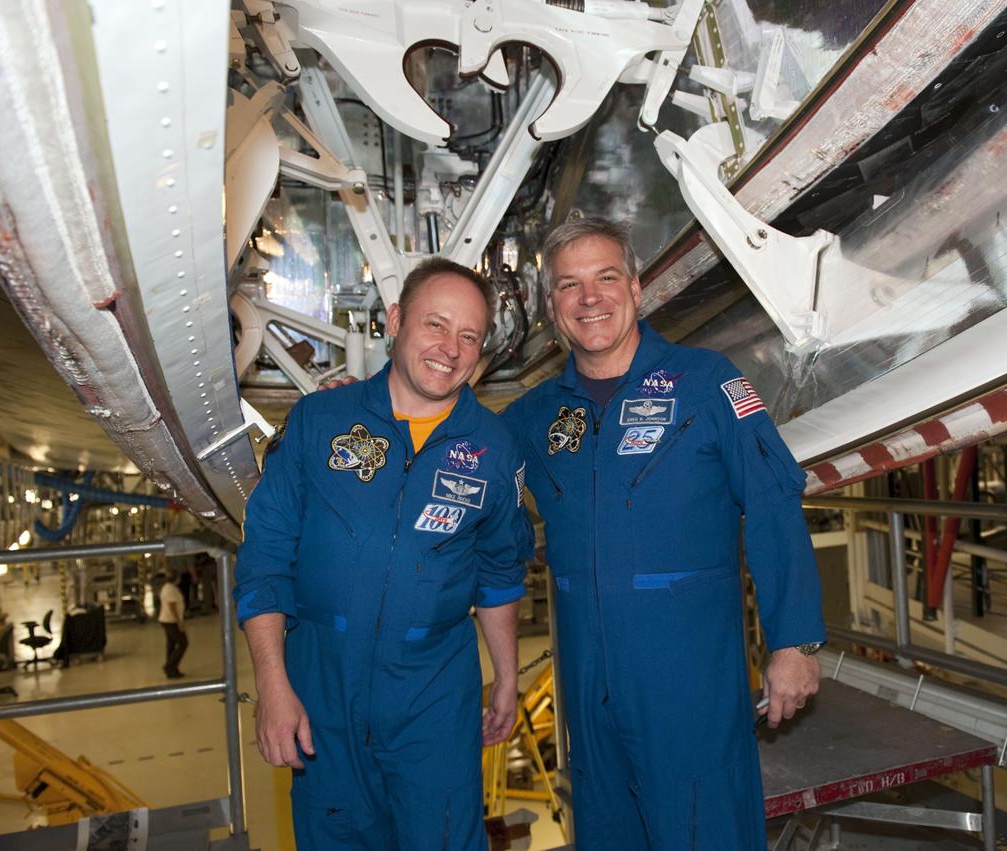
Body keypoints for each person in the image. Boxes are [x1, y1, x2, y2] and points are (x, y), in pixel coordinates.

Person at [502, 218, 826, 849]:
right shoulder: (534, 416)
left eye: (605, 278)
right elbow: (455, 456)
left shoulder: (706, 383)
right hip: (586, 683)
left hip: (688, 678)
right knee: (605, 828)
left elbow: (773, 504)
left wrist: (794, 644)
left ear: (636, 286)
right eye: (569, 285)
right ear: (551, 308)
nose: (589, 298)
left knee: (705, 828)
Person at [234, 258, 534, 850]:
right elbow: (265, 560)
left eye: (469, 336)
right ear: (396, 321)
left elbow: (498, 574)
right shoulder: (320, 421)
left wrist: (505, 677)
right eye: (436, 325)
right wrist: (273, 685)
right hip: (321, 684)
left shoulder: (494, 451)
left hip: (433, 694)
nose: (450, 348)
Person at [158, 566, 188, 679]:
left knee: (171, 645)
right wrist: (179, 622)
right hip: (170, 621)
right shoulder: (170, 589)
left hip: (167, 620)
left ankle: (172, 670)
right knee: (183, 643)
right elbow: (172, 607)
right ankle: (169, 666)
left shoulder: (168, 587)